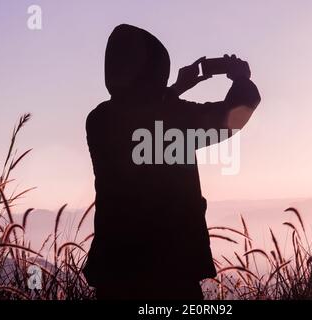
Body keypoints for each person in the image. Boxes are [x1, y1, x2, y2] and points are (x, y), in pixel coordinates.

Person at [83, 24, 261, 300]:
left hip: (115, 270)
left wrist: (175, 89)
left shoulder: (99, 120)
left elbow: (140, 111)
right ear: (156, 70)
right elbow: (231, 119)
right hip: (172, 271)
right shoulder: (175, 118)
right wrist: (241, 80)